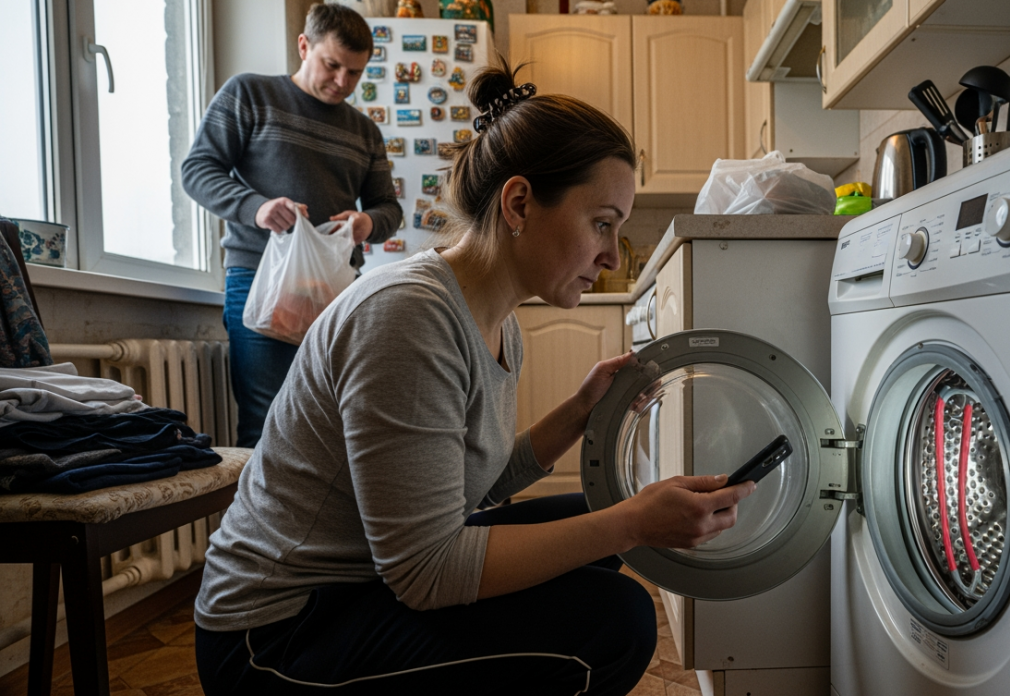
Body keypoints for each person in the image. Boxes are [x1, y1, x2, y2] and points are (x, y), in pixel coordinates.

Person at [191, 63, 757, 696]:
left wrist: (580, 410)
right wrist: (636, 522)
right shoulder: (408, 317)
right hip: (277, 634)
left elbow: (471, 487)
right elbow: (425, 571)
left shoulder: (494, 319)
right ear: (519, 203)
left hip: (365, 581)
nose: (612, 254)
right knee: (616, 621)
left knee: (601, 520)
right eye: (602, 222)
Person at [181, 4, 402, 448]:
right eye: (332, 65)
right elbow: (198, 169)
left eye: (355, 73)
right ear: (304, 46)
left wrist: (365, 223)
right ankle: (256, 521)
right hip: (259, 278)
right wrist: (255, 208)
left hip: (336, 290)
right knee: (263, 421)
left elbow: (387, 209)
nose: (343, 82)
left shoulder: (365, 132)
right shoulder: (249, 93)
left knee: (335, 421)